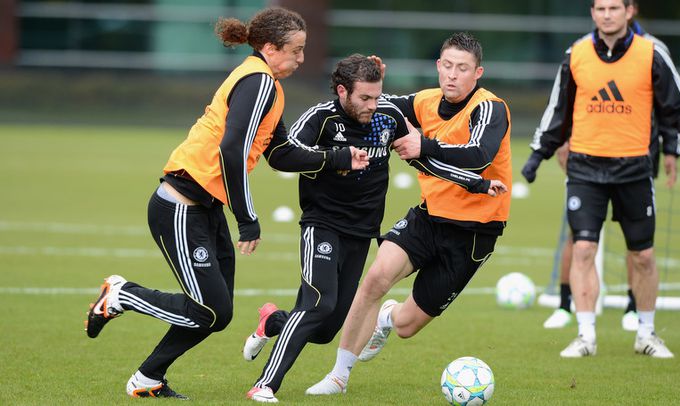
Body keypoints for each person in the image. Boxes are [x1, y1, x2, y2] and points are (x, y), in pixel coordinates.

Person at [83, 7, 369, 400]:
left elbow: (281, 153)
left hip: (205, 209)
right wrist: (247, 219)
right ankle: (121, 294)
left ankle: (148, 378)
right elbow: (230, 151)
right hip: (180, 206)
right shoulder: (258, 82)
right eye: (296, 50)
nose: (301, 59)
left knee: (217, 313)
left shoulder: (268, 85)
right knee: (210, 311)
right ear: (270, 48)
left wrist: (339, 157)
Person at [243, 54, 501, 403]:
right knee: (319, 303)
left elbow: (421, 158)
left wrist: (476, 184)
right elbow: (283, 155)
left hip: (362, 231)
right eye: (364, 98)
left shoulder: (387, 116)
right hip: (322, 224)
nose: (373, 105)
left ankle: (273, 321)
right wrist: (336, 158)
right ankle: (265, 385)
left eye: (377, 96)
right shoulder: (322, 118)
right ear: (342, 91)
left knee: (324, 328)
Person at [305, 32, 511, 396]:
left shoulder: (490, 107)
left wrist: (424, 144)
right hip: (428, 217)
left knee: (406, 325)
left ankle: (387, 318)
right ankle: (338, 376)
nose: (452, 75)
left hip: (475, 233)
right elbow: (370, 103)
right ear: (438, 66)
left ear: (478, 72)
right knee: (374, 280)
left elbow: (480, 155)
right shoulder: (423, 100)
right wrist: (366, 78)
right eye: (447, 66)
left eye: (462, 68)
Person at [522, 0, 680, 358]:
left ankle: (646, 334)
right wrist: (538, 153)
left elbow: (679, 104)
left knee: (644, 256)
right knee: (584, 248)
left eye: (614, 8)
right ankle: (585, 336)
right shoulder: (575, 54)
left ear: (630, 11)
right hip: (585, 168)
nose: (607, 14)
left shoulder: (651, 53)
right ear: (592, 13)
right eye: (600, 8)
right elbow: (558, 109)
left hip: (634, 168)